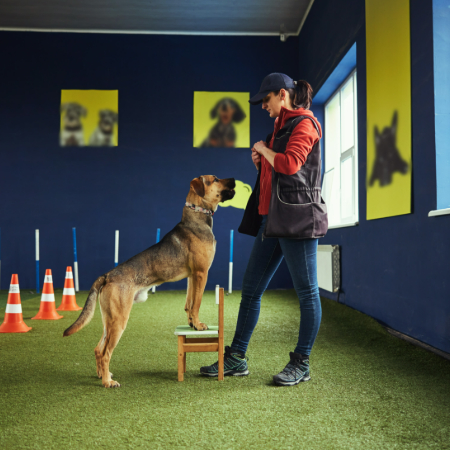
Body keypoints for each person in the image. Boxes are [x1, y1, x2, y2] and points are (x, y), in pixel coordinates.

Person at [200, 73, 328, 386]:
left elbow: (290, 165)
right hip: (273, 221)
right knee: (252, 289)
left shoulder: (305, 123)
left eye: (266, 100)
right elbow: (276, 176)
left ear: (282, 95)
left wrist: (265, 150)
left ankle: (302, 362)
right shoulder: (279, 129)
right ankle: (237, 357)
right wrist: (261, 162)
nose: (263, 106)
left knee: (307, 294)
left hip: (297, 223)